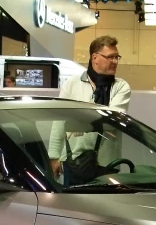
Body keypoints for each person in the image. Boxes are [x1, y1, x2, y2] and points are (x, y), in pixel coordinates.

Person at [48, 35, 131, 181]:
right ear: (95, 58)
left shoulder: (120, 87)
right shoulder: (72, 84)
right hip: (73, 160)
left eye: (117, 57)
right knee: (71, 203)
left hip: (106, 164)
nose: (115, 61)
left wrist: (77, 123)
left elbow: (112, 121)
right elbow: (59, 121)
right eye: (110, 57)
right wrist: (54, 156)